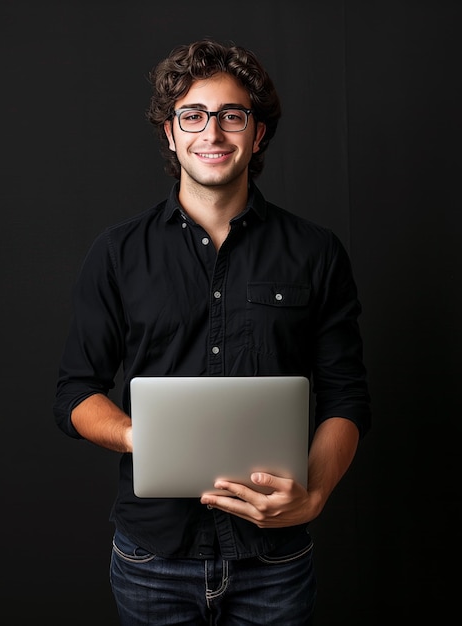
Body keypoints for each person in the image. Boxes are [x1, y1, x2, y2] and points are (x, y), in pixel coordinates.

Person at [54, 38, 371, 625]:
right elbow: (75, 393)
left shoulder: (316, 253)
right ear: (171, 134)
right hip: (153, 558)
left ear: (258, 134)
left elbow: (346, 396)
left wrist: (315, 495)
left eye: (232, 115)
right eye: (193, 115)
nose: (213, 133)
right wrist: (139, 437)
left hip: (274, 558)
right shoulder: (117, 253)